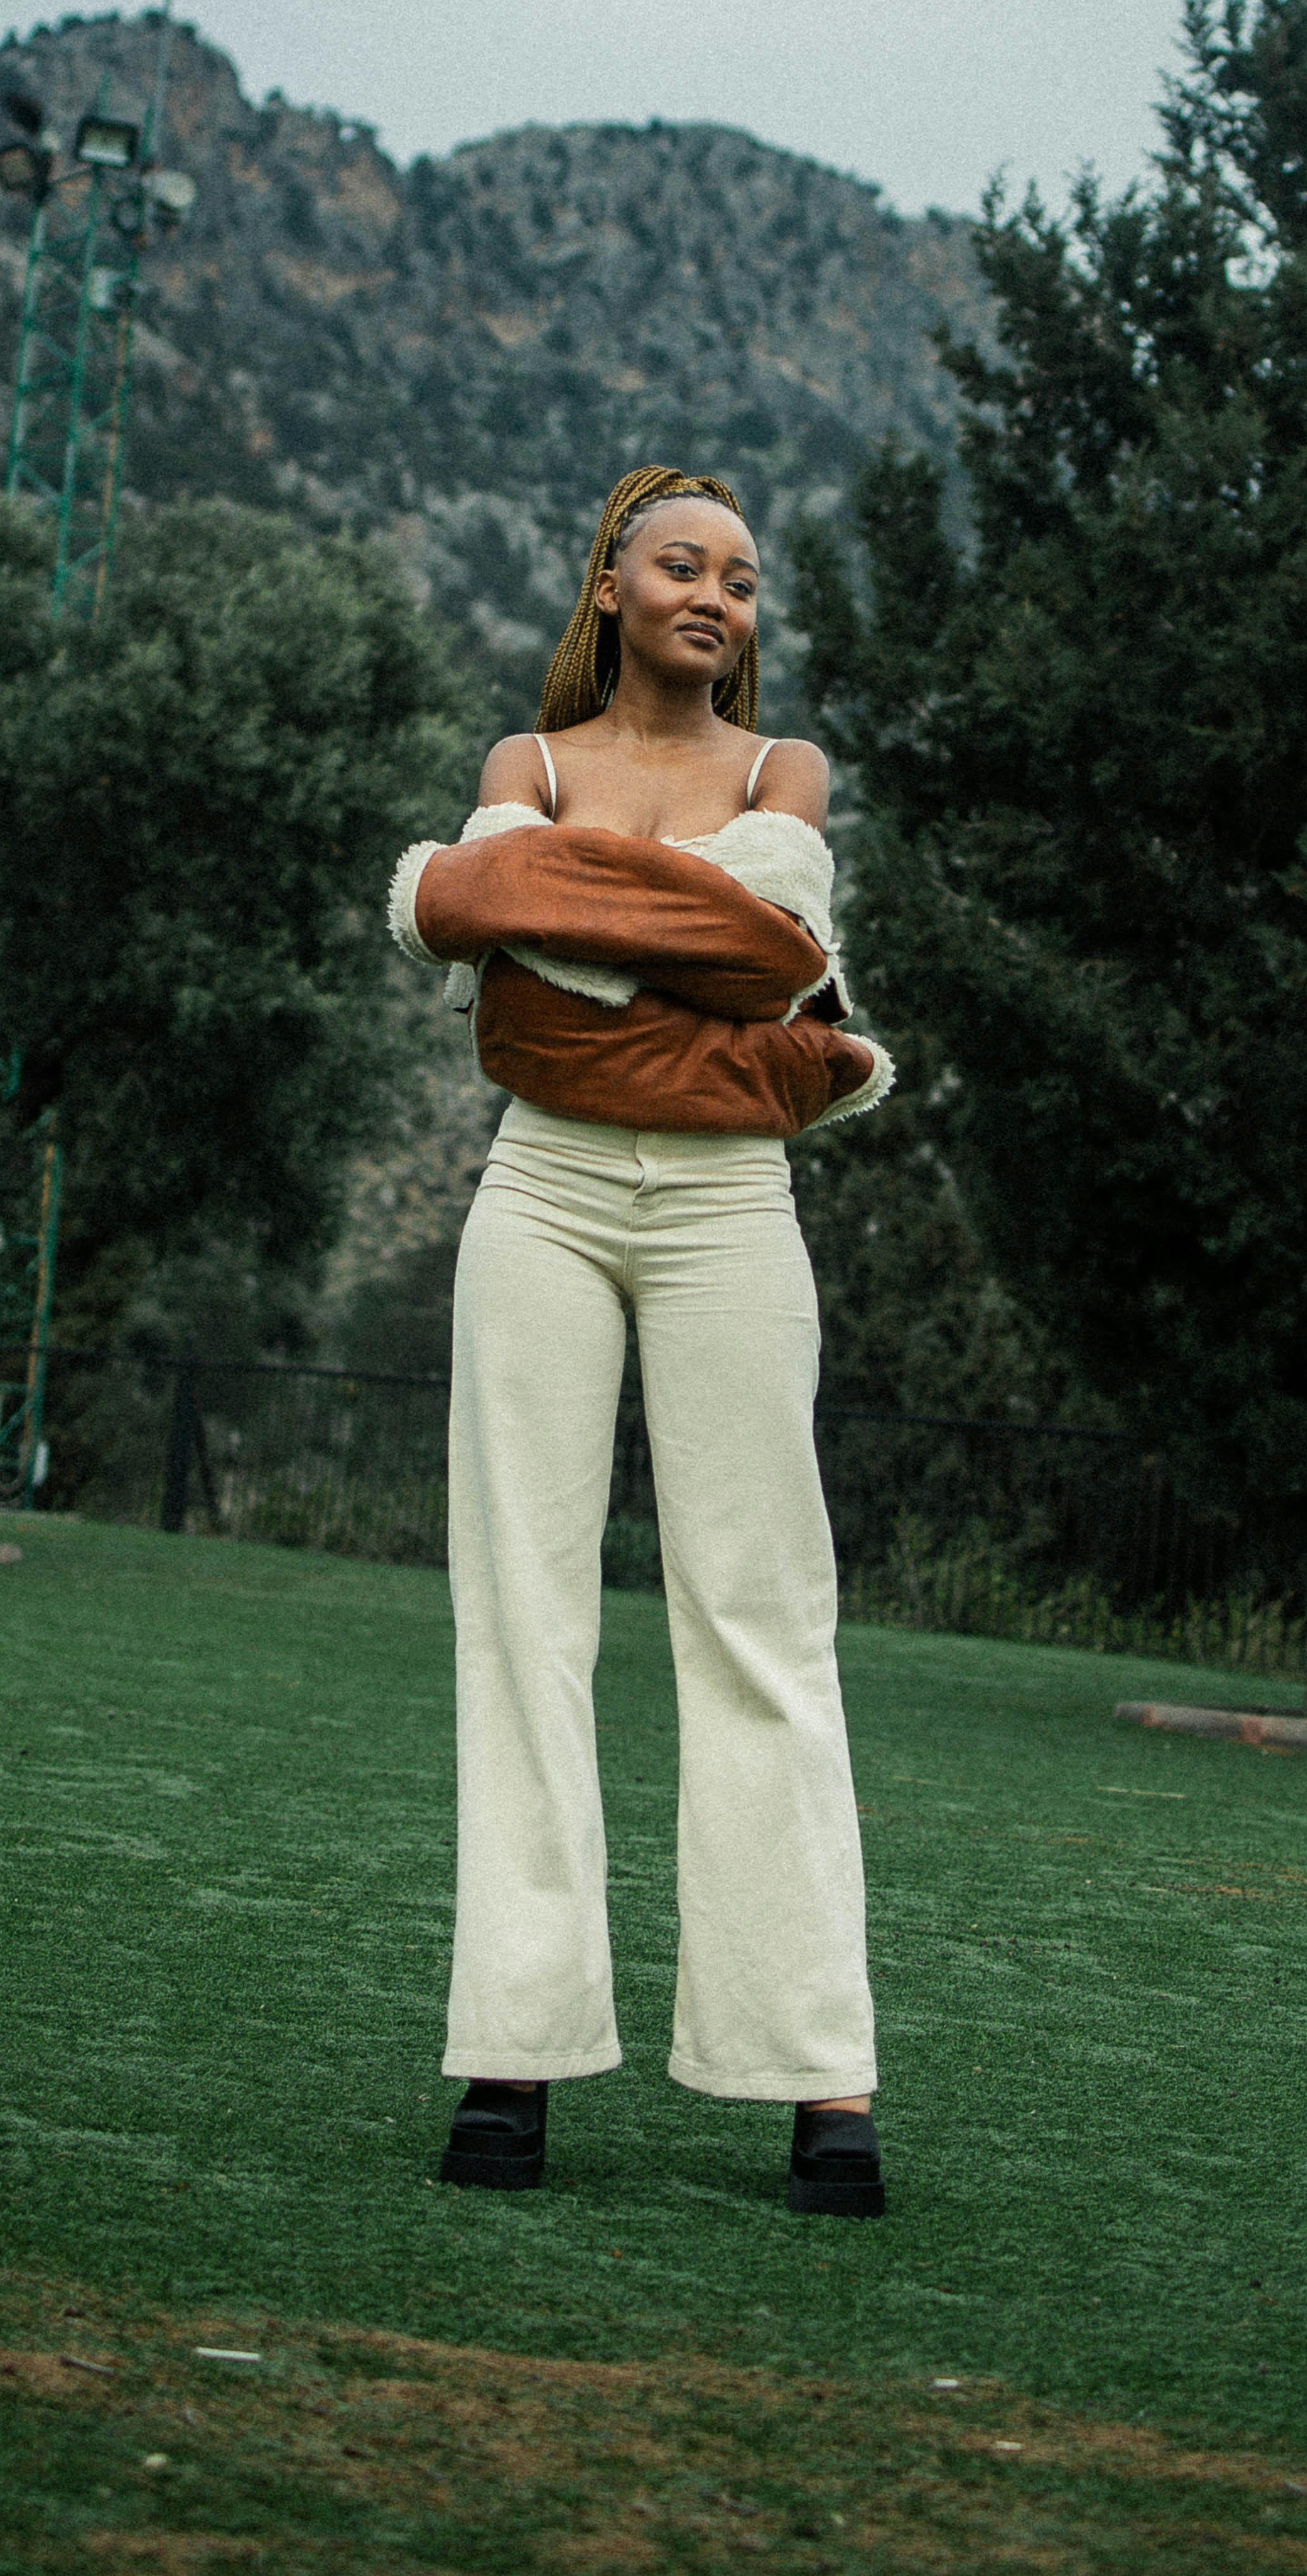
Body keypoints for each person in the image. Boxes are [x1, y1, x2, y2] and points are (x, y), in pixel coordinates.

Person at [386, 463, 893, 2215]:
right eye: (682, 565)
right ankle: (509, 2057)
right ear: (607, 584)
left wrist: (558, 912)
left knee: (762, 1625)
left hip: (729, 1210)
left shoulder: (784, 775)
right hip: (538, 1199)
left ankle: (818, 2081)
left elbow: (771, 960)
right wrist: (688, 964)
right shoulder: (524, 767)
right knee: (519, 1621)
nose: (718, 597)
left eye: (743, 581)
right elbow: (501, 987)